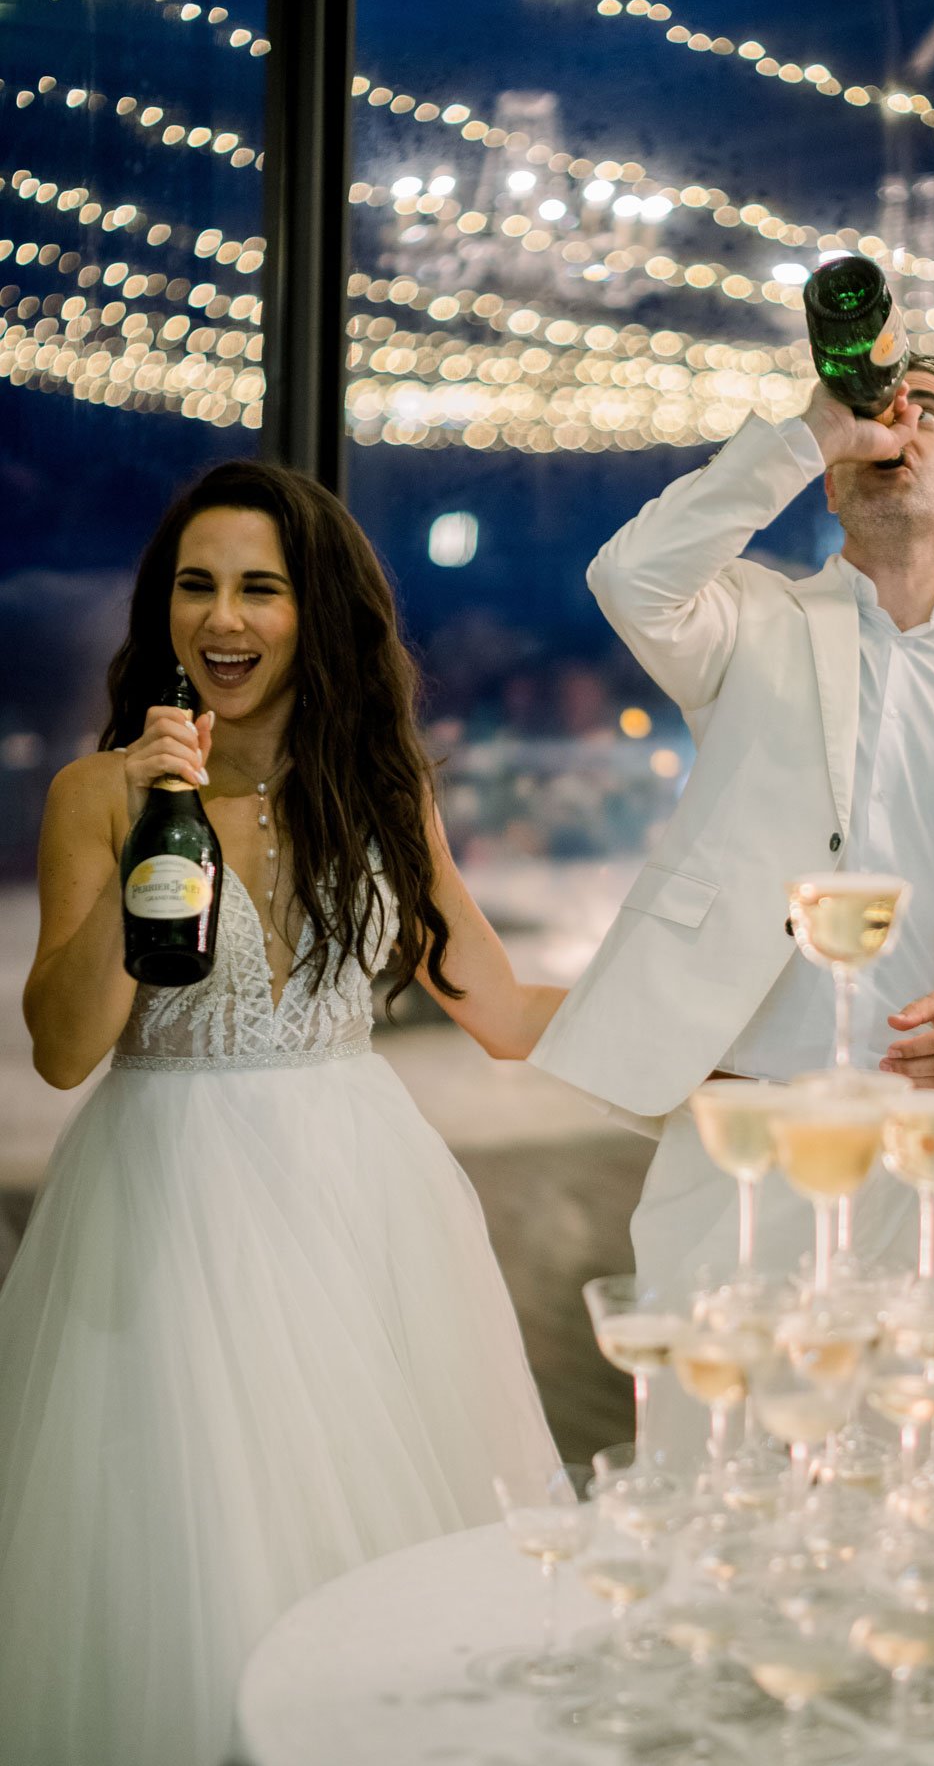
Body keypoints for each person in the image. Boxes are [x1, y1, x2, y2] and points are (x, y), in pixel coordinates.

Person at [4, 462, 563, 1766]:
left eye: (260, 587)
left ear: (315, 610)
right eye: (196, 586)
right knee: (193, 1555)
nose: (224, 618)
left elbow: (499, 1009)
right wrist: (158, 830)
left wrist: (715, 1033)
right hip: (167, 1218)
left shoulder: (380, 788)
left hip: (366, 1207)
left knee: (391, 1559)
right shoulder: (99, 795)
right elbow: (63, 1049)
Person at [532, 360, 934, 1314]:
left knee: (908, 1417)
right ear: (830, 482)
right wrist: (811, 432)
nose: (896, 424)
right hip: (747, 1138)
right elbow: (630, 578)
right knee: (706, 1411)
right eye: (877, 413)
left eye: (926, 413)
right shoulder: (748, 620)